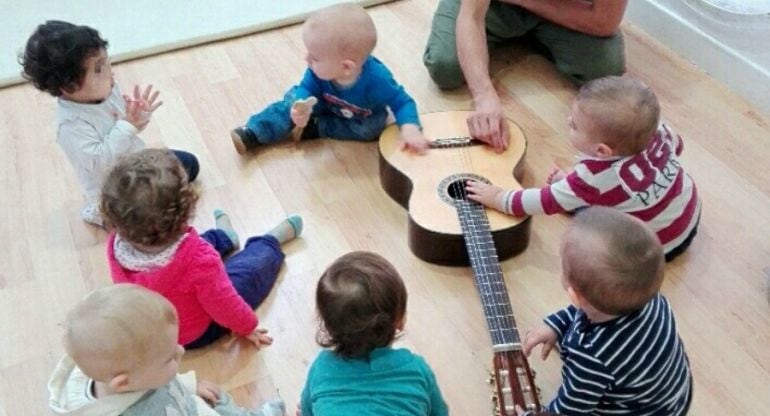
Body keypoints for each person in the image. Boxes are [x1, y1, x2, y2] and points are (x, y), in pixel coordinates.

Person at [466, 76, 700, 261]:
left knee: (587, 244)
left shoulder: (593, 178)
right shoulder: (659, 129)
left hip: (654, 248)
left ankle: (576, 199)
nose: (568, 121)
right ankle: (577, 197)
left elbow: (542, 202)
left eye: (575, 125)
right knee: (595, 194)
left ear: (602, 151)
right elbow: (677, 148)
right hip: (689, 213)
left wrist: (497, 197)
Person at [100, 148, 303, 349]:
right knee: (248, 274)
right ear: (186, 213)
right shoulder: (200, 260)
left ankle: (225, 238)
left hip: (161, 332)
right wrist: (247, 327)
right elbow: (225, 304)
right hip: (196, 334)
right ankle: (268, 243)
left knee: (196, 247)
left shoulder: (116, 244)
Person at [20, 20, 200, 227]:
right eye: (99, 69)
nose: (110, 72)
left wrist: (138, 116)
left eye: (107, 62)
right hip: (116, 190)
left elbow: (128, 126)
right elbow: (99, 164)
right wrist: (127, 126)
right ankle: (100, 211)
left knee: (189, 164)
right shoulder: (70, 125)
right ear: (69, 86)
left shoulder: (107, 89)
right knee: (153, 216)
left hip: (136, 165)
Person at [520, 207, 692, 415]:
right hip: (672, 397)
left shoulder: (592, 357)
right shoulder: (652, 299)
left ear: (574, 296)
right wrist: (555, 325)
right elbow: (586, 310)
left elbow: (569, 411)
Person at [48, 283, 285, 415]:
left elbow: (158, 378)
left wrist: (188, 386)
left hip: (185, 406)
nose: (181, 351)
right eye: (169, 357)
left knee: (219, 400)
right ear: (123, 384)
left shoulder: (124, 370)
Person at [423, 0, 628, 152]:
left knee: (605, 72)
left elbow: (604, 22)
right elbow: (472, 17)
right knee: (445, 67)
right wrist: (484, 95)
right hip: (493, 5)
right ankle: (527, 36)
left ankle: (532, 35)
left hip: (567, 7)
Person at [231, 2, 430, 155]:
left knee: (371, 129)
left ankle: (317, 128)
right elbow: (305, 89)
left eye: (315, 57)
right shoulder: (317, 72)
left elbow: (402, 101)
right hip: (320, 103)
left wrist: (410, 127)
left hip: (359, 117)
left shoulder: (378, 79)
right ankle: (255, 132)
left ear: (346, 67)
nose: (307, 59)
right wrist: (300, 106)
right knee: (290, 101)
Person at [299, 251, 448, 415]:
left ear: (327, 327)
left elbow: (307, 411)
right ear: (400, 320)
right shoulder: (416, 369)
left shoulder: (321, 368)